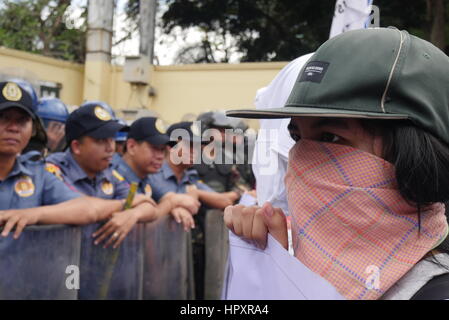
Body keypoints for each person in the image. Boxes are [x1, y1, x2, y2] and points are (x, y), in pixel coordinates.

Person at [224, 27, 449, 300]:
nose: (301, 163)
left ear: (416, 159)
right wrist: (273, 271)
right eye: (296, 137)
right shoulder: (305, 274)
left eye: (330, 137)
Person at [0, 81, 148, 239]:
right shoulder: (52, 168)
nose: (13, 128)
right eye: (3, 118)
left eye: (22, 121)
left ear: (32, 128)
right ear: (76, 146)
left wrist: (33, 214)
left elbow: (87, 209)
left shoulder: (36, 174)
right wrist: (127, 205)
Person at [46, 102, 154, 248]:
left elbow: (149, 206)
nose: (110, 147)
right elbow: (84, 209)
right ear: (77, 147)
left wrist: (133, 215)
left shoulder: (109, 173)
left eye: (112, 139)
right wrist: (123, 205)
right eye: (101, 140)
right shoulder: (54, 170)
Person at [110, 116, 201, 231]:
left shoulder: (146, 176)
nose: (160, 156)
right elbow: (135, 207)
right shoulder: (115, 174)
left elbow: (188, 203)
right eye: (154, 148)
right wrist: (171, 204)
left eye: (162, 149)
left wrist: (172, 206)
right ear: (131, 146)